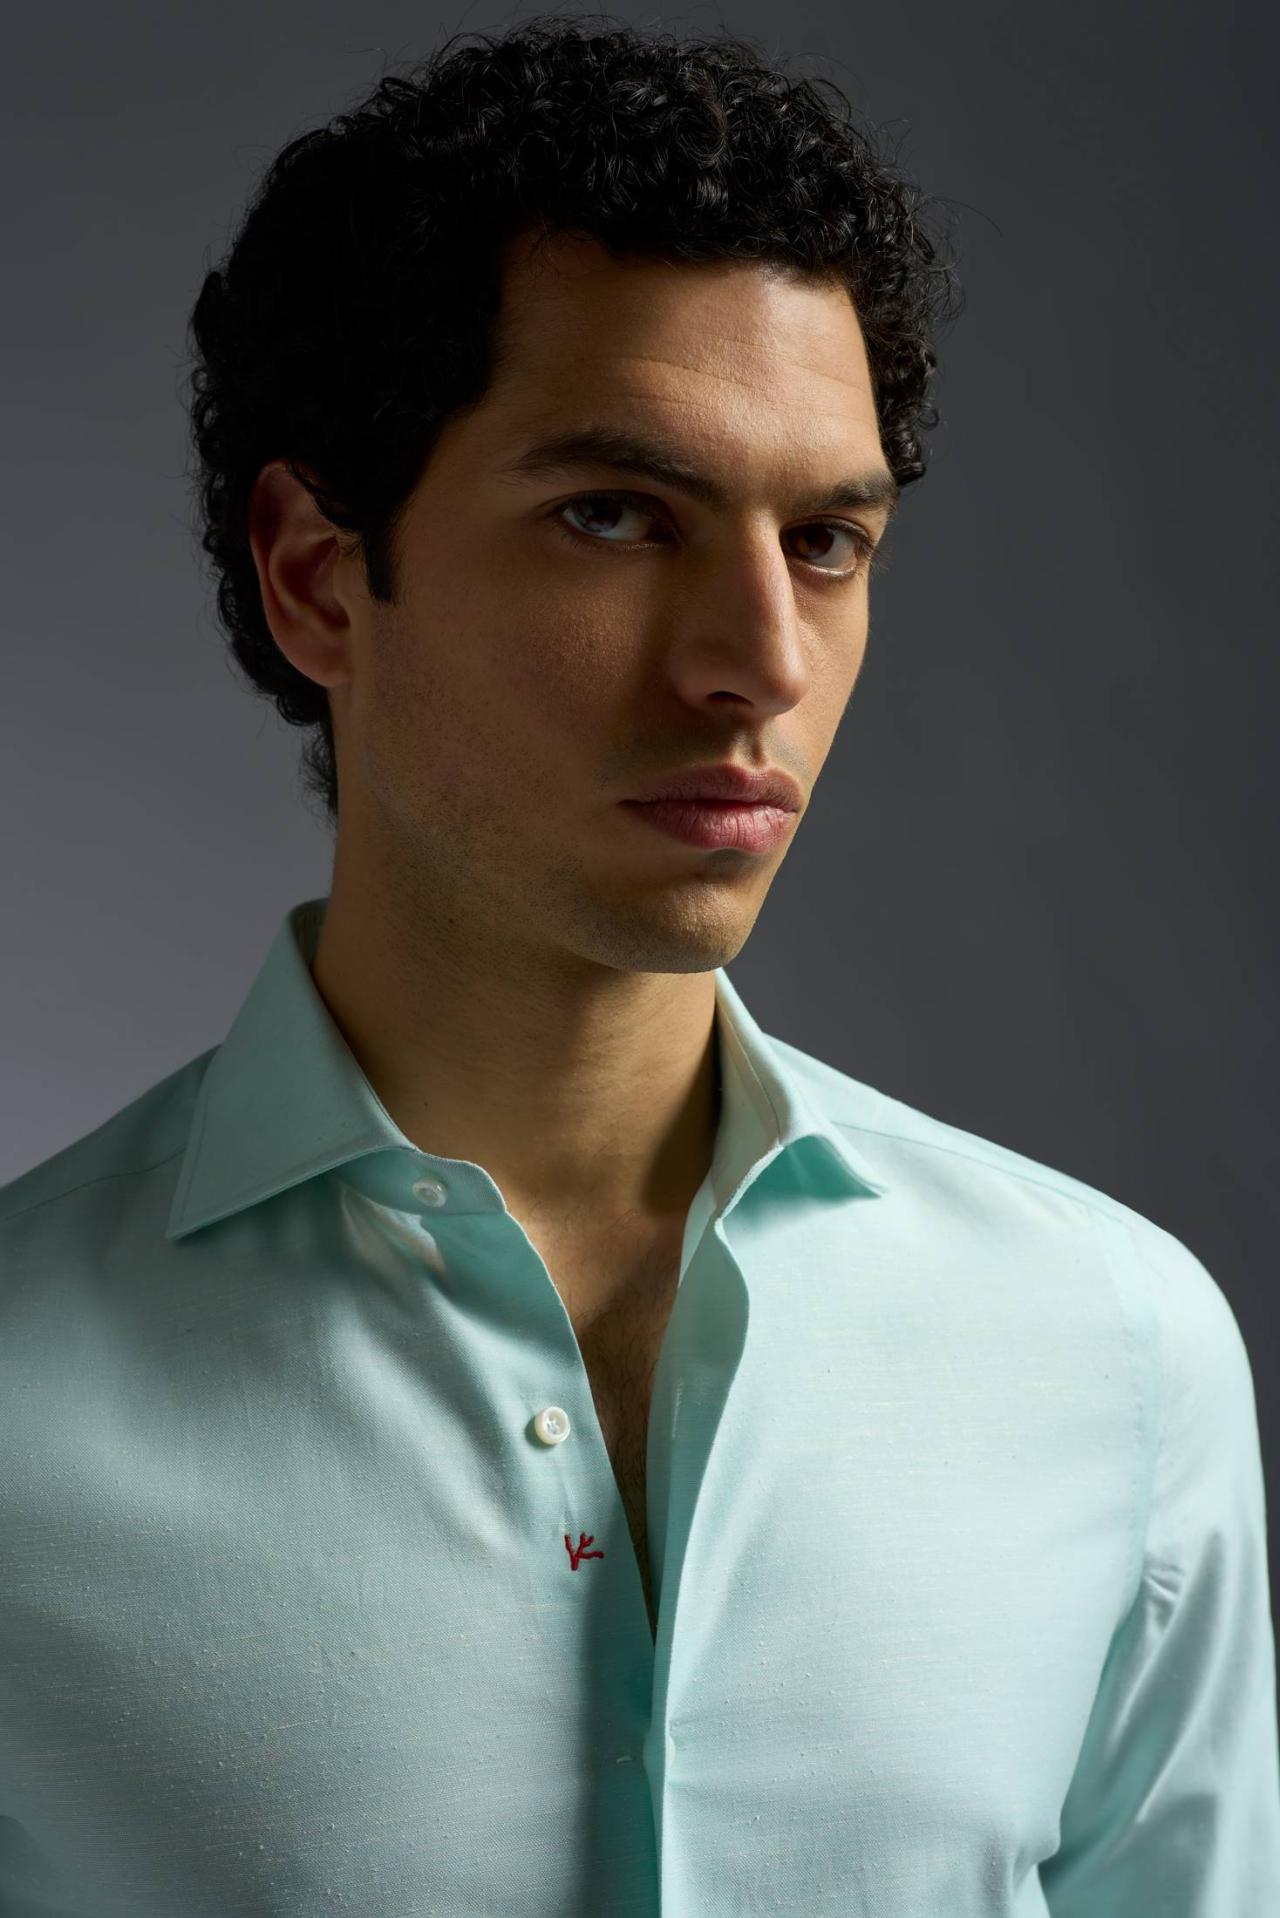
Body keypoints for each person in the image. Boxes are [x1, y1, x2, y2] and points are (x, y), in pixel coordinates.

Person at [2, 15, 1276, 1915]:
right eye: (615, 516)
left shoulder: (1119, 1349)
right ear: (320, 576)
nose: (759, 659)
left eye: (826, 539)